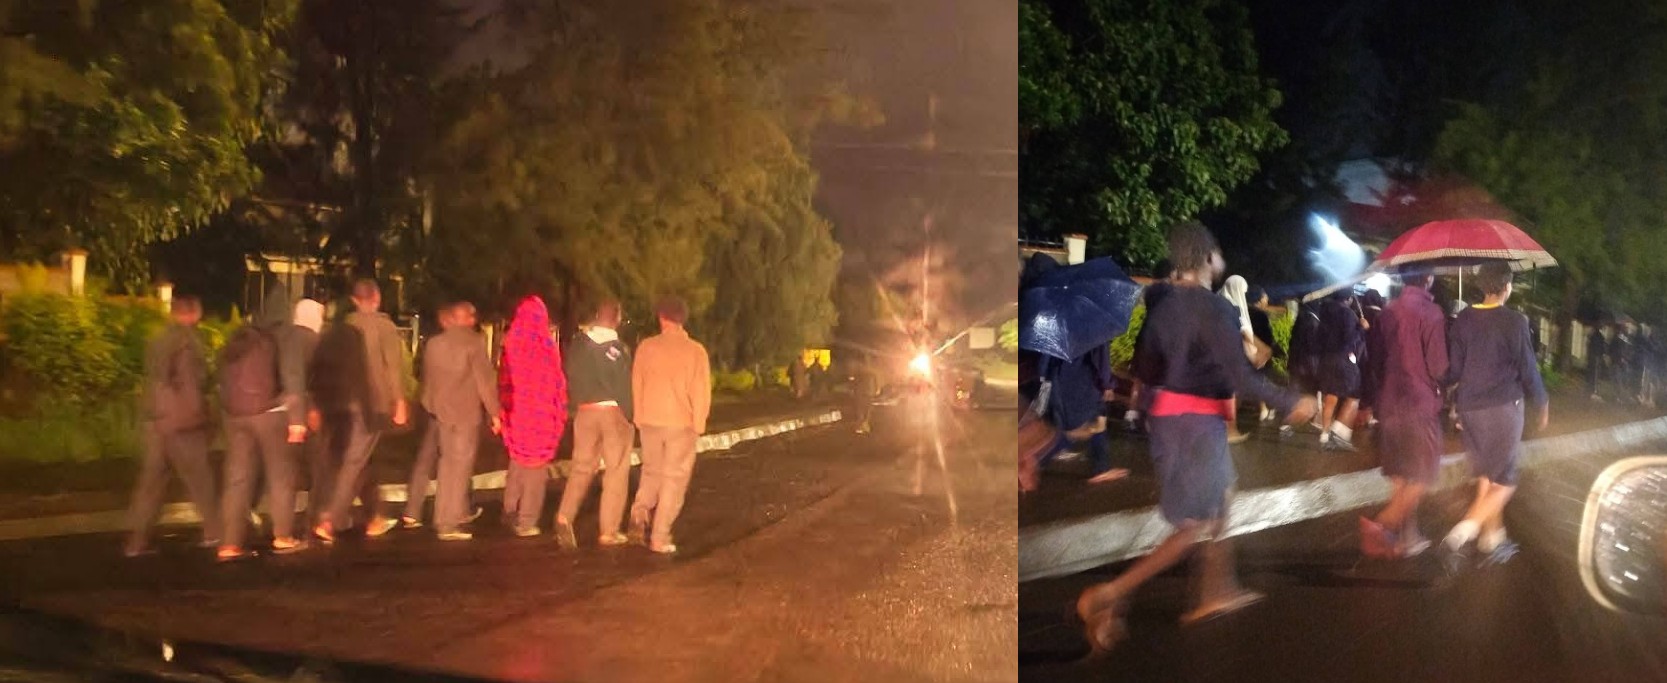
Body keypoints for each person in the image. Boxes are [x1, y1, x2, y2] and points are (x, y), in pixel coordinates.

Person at [1075, 222, 1316, 654]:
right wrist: (1289, 401)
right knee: (1194, 526)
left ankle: (1216, 591)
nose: (1221, 260)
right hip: (1196, 425)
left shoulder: (1163, 307)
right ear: (1207, 258)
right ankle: (1109, 595)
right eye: (1218, 253)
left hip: (1170, 423)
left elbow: (1145, 369)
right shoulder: (1212, 308)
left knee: (1223, 495)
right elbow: (1238, 376)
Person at [1440, 262, 1548, 570]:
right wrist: (1541, 400)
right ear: (1507, 287)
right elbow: (1528, 368)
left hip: (1470, 408)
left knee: (1488, 475)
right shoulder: (1515, 321)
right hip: (1503, 408)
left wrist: (1446, 394)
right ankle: (1461, 534)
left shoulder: (1463, 319)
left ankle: (1492, 539)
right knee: (1507, 480)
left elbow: (1455, 370)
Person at [125, 295, 224, 557]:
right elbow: (193, 383)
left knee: (151, 485)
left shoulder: (157, 340)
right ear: (192, 314)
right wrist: (202, 416)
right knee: (201, 480)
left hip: (155, 421)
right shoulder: (188, 342)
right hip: (182, 425)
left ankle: (137, 542)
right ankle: (215, 533)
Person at [1359, 271, 1448, 559]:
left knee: (1401, 473)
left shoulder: (1388, 312)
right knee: (1424, 472)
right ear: (1428, 279)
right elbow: (1438, 367)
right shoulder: (1432, 313)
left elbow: (1374, 359)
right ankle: (1383, 525)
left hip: (1389, 402)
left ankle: (1407, 539)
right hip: (1419, 403)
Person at [216, 286, 308, 561]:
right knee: (281, 476)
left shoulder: (243, 334)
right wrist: (297, 420)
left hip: (236, 415)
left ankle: (229, 543)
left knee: (237, 479)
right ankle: (282, 536)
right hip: (271, 412)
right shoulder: (286, 334)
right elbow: (293, 377)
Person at [314, 279, 409, 543]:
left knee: (358, 459)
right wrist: (398, 401)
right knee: (355, 460)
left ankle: (374, 516)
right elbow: (392, 367)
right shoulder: (384, 327)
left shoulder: (344, 327)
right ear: (377, 298)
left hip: (341, 402)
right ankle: (330, 519)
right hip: (371, 403)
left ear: (355, 300)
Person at [628, 296, 712, 554]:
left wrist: (639, 416)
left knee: (652, 472)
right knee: (673, 480)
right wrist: (698, 423)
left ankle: (639, 516)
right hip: (680, 424)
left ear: (661, 318)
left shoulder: (646, 347)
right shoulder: (696, 351)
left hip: (650, 422)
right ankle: (659, 537)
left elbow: (636, 383)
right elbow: (701, 391)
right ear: (682, 320)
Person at [414, 301, 502, 541]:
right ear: (468, 318)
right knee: (460, 467)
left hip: (441, 413)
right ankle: (448, 524)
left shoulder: (434, 344)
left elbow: (428, 380)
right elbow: (484, 381)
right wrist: (495, 413)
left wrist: (432, 406)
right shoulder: (474, 343)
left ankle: (445, 515)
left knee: (446, 465)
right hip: (465, 414)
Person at [554, 298, 635, 549]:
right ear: (617, 318)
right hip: (613, 413)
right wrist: (631, 415)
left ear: (597, 314)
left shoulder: (578, 345)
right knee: (616, 470)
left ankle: (564, 516)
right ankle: (608, 531)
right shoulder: (619, 349)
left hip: (584, 413)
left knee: (582, 467)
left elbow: (568, 372)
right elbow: (624, 387)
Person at [498, 294, 568, 537]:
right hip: (540, 416)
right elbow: (558, 384)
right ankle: (527, 521)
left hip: (516, 413)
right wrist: (560, 413)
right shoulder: (546, 345)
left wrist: (503, 411)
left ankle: (509, 508)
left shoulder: (511, 342)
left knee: (517, 460)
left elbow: (504, 380)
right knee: (536, 469)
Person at [288, 298, 332, 528]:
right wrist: (314, 407)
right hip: (309, 411)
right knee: (319, 464)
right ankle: (318, 516)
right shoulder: (313, 341)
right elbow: (315, 378)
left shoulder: (285, 338)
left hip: (282, 411)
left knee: (286, 466)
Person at [1315, 291, 1366, 451]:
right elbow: (1350, 340)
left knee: (1331, 395)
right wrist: (1362, 328)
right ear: (1349, 299)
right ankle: (1339, 432)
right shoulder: (1348, 314)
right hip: (1342, 360)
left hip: (1325, 360)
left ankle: (1324, 435)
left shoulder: (1323, 313)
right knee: (1355, 392)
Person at [1218, 275, 1256, 444]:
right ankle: (1230, 431)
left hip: (1215, 358)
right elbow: (1243, 333)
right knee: (1230, 394)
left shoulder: (1215, 304)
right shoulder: (1233, 309)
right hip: (1229, 358)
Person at [1246, 286, 1280, 424]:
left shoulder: (1244, 313)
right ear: (1259, 299)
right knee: (1266, 381)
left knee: (1256, 381)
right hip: (1261, 352)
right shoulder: (1260, 315)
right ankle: (1269, 408)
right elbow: (1267, 337)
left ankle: (1262, 409)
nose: (1267, 299)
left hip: (1248, 353)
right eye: (1265, 297)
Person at [1357, 290, 1387, 429]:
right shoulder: (1383, 317)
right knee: (1376, 384)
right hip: (1379, 356)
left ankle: (1364, 413)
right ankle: (1372, 414)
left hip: (1362, 357)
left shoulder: (1361, 316)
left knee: (1364, 384)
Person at [1586, 324, 1608, 402]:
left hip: (1592, 357)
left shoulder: (1592, 336)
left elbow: (1589, 346)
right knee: (1595, 375)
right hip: (1596, 357)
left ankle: (1591, 391)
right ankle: (1594, 392)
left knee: (1592, 374)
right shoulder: (1599, 337)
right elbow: (1602, 348)